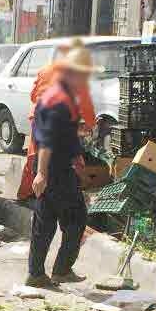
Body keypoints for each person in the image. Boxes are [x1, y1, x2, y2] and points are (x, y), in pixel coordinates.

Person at [26, 43, 95, 289]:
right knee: (76, 218)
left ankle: (36, 274)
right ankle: (61, 270)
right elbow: (48, 139)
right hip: (54, 168)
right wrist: (42, 174)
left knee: (45, 222)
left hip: (51, 167)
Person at [16, 37, 98, 201]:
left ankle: (27, 194)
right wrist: (90, 126)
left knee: (34, 155)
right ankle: (78, 188)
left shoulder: (46, 70)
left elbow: (33, 96)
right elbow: (86, 108)